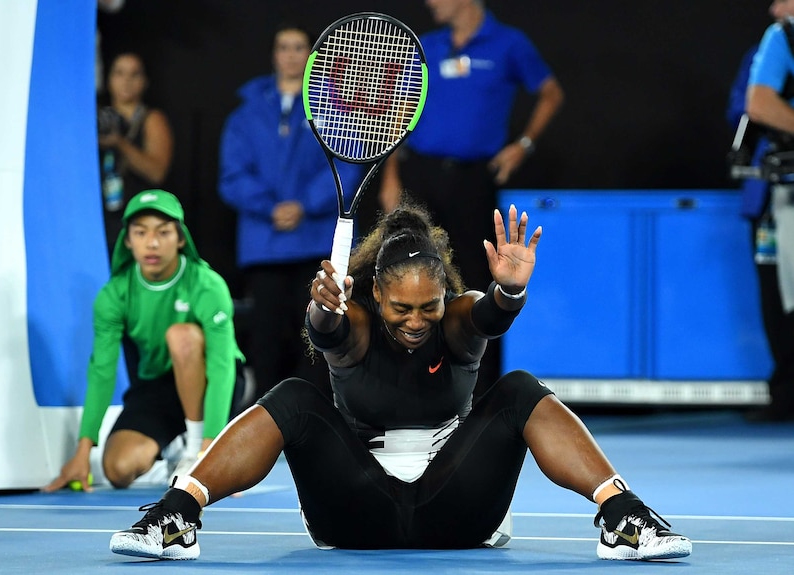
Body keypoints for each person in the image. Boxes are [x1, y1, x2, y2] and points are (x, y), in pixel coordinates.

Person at [108, 199, 691, 562]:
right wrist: (323, 313)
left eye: (428, 308)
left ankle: (624, 516)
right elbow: (330, 332)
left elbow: (488, 313)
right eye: (400, 309)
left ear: (444, 295)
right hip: (354, 510)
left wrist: (510, 290)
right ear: (375, 295)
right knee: (293, 396)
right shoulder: (354, 321)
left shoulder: (459, 320)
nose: (416, 322)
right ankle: (176, 514)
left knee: (517, 388)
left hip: (456, 507)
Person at [379, 0, 564, 394]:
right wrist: (391, 175)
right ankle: (411, 386)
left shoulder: (509, 43)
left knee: (478, 282)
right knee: (412, 276)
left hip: (474, 181)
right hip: (421, 176)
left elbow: (550, 93)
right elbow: (399, 111)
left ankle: (481, 392)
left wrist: (523, 145)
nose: (429, 2)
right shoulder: (425, 46)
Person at [43, 189, 245, 493]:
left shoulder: (207, 285)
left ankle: (193, 451)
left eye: (163, 233)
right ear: (128, 240)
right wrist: (83, 451)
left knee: (182, 337)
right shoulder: (114, 295)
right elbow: (102, 371)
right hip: (157, 391)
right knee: (118, 469)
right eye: (140, 233)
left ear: (180, 239)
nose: (152, 243)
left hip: (212, 382)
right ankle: (175, 450)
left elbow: (221, 367)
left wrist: (207, 449)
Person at [218, 23, 363, 400]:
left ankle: (315, 415)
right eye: (283, 46)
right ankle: (265, 421)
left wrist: (304, 206)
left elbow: (347, 163)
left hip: (314, 241)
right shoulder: (245, 114)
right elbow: (232, 175)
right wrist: (271, 208)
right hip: (264, 244)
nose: (291, 54)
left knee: (318, 334)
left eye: (299, 47)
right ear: (273, 54)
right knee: (264, 338)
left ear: (311, 54)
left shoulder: (336, 106)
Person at [743, 5, 794, 422]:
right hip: (779, 196)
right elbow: (755, 106)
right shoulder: (780, 40)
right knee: (784, 303)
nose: (776, 7)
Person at [98, 51, 174, 261]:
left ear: (145, 81)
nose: (126, 82)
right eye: (119, 73)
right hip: (100, 222)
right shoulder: (97, 118)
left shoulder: (151, 119)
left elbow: (157, 172)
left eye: (134, 75)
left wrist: (120, 143)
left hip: (137, 224)